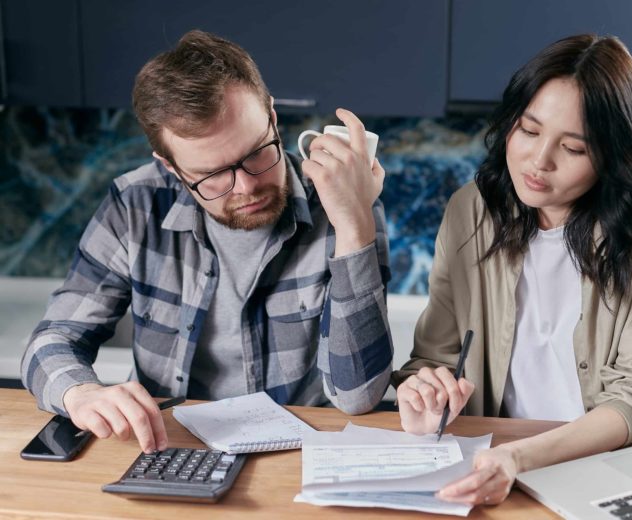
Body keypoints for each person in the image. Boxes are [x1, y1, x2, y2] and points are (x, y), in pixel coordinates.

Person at [21, 30, 393, 454]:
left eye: (256, 153)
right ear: (172, 167)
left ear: (273, 118)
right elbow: (52, 340)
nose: (246, 187)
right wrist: (80, 393)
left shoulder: (345, 201)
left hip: (297, 458)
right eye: (213, 174)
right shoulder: (135, 204)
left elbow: (358, 395)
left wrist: (353, 223)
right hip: (171, 449)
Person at [392, 33, 632, 506]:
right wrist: (425, 399)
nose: (539, 161)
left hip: (603, 469)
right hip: (492, 465)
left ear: (610, 156)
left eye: (573, 149)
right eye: (529, 131)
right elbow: (436, 356)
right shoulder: (470, 211)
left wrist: (520, 457)